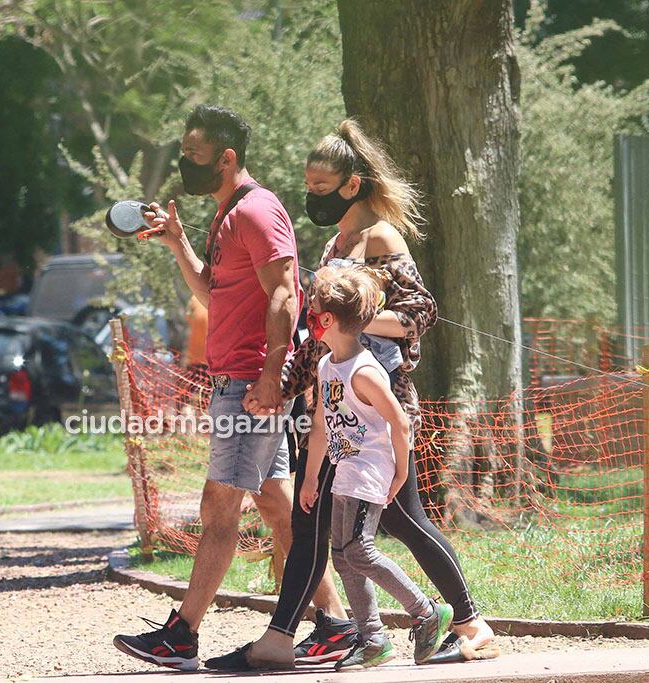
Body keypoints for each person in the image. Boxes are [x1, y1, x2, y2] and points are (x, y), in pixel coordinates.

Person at [207, 119, 494, 671]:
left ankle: (468, 622)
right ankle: (282, 638)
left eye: (320, 187)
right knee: (312, 523)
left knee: (402, 521)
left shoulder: (381, 238)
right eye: (307, 185)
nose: (310, 196)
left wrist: (352, 316)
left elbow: (418, 314)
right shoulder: (334, 243)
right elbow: (318, 338)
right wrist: (279, 386)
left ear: (352, 183)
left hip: (379, 408)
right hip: (333, 411)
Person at [112, 105, 341, 670]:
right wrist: (177, 242)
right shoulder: (227, 214)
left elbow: (286, 295)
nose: (186, 162)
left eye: (193, 153)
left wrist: (271, 375)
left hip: (248, 383)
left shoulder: (258, 212)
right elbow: (217, 294)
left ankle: (181, 634)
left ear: (227, 156)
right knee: (279, 509)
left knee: (219, 508)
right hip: (240, 379)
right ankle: (338, 624)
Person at [300, 266, 453, 670]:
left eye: (312, 308)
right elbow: (319, 425)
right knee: (342, 555)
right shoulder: (326, 365)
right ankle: (373, 640)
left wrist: (401, 472)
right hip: (345, 469)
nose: (308, 313)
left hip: (370, 470)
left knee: (359, 550)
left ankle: (426, 611)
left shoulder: (364, 370)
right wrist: (312, 476)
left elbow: (400, 421)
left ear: (328, 319)